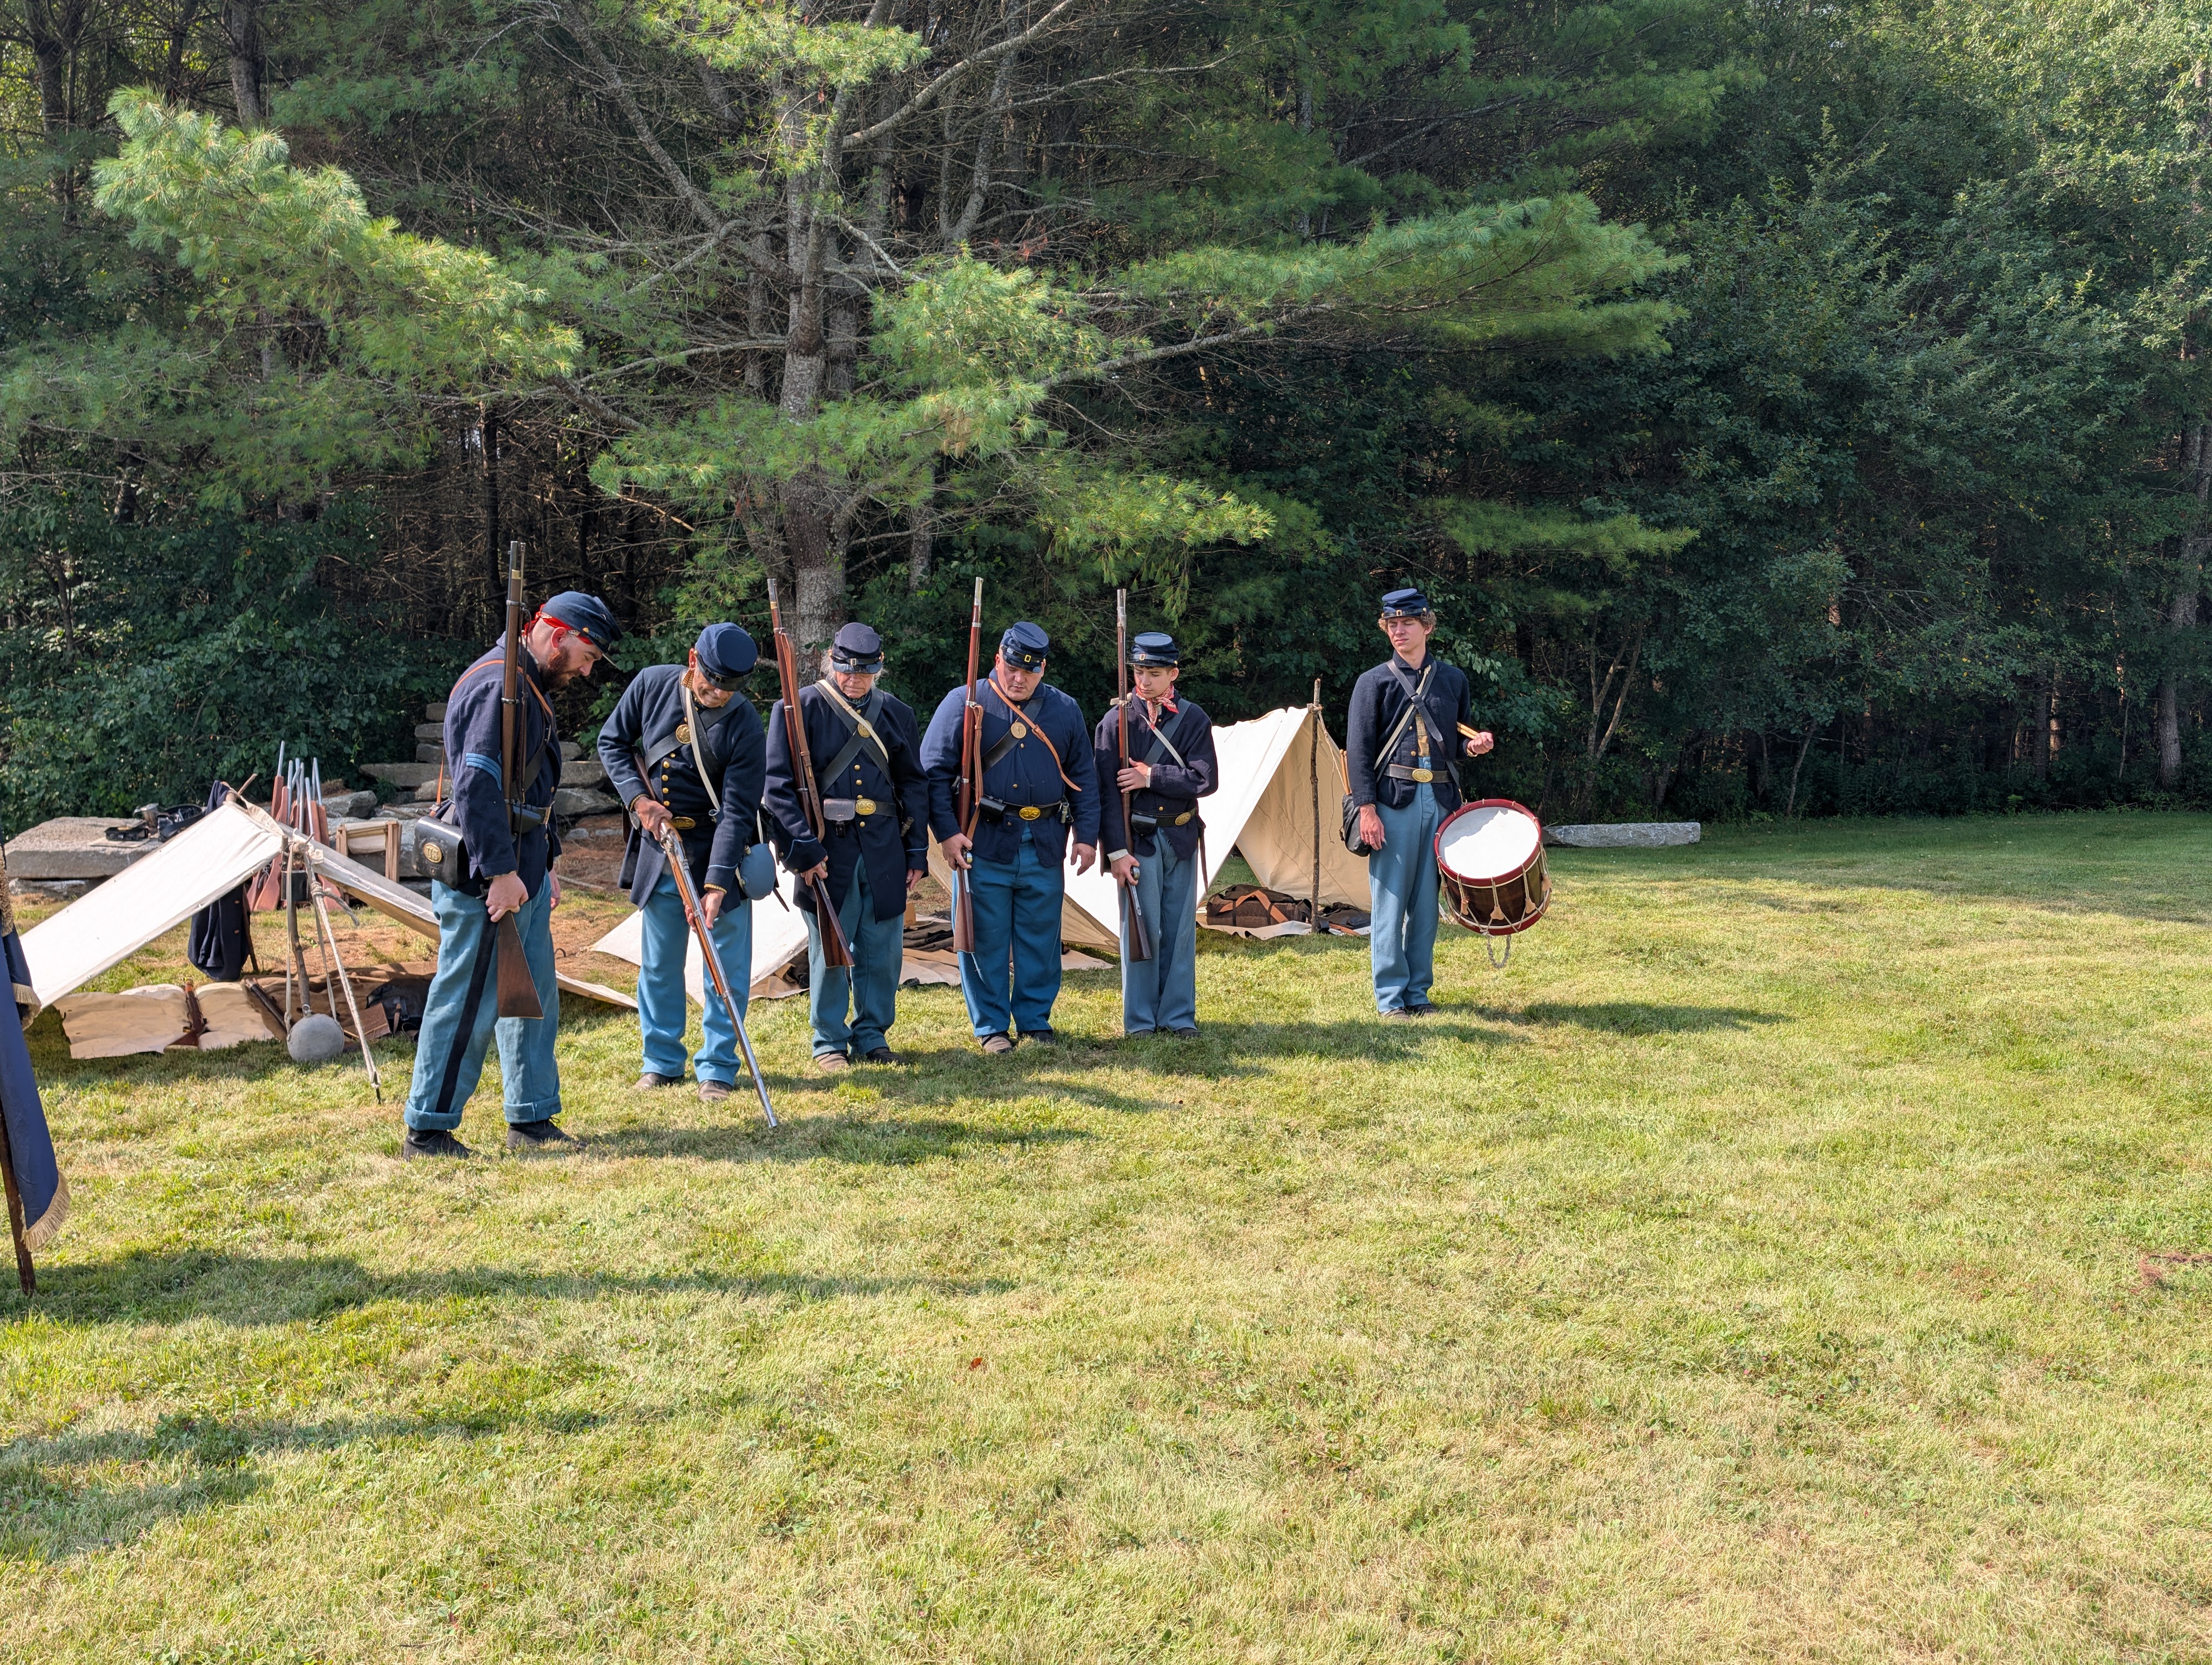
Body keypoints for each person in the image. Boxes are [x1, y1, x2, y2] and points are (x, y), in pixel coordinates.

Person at [403, 591, 620, 1158]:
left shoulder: (524, 685)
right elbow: (477, 788)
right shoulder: (494, 686)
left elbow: (527, 790)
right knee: (466, 1000)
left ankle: (531, 1116)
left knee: (530, 999)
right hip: (488, 873)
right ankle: (427, 1128)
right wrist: (500, 871)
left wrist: (542, 864)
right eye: (587, 657)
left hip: (523, 868)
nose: (587, 671)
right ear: (558, 637)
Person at [597, 624, 769, 1102]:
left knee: (724, 968)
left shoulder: (745, 722)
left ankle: (718, 1067)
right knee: (658, 965)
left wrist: (717, 884)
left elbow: (738, 811)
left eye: (729, 688)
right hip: (662, 849)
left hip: (718, 851)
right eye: (711, 683)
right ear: (693, 660)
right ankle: (661, 1061)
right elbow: (612, 742)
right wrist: (638, 801)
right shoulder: (652, 685)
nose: (717, 695)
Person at [921, 620, 1100, 1053]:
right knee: (985, 939)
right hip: (982, 841)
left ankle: (1035, 1022)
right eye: (1012, 668)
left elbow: (1084, 776)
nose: (1019, 679)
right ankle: (992, 1028)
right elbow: (932, 774)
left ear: (1043, 670)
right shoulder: (964, 702)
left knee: (1041, 938)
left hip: (1045, 840)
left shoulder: (1065, 709)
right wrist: (947, 833)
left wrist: (1086, 835)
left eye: (1029, 671)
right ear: (997, 660)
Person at [762, 622, 930, 1072]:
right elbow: (778, 789)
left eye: (864, 673)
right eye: (846, 670)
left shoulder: (896, 713)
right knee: (831, 949)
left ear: (879, 669)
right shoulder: (797, 708)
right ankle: (829, 1041)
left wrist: (917, 852)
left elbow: (914, 784)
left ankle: (872, 1035)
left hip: (884, 847)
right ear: (831, 663)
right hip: (824, 851)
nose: (854, 680)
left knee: (882, 950)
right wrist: (802, 851)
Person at [1344, 587, 1494, 1019]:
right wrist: (1367, 809)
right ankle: (1391, 999)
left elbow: (1455, 741)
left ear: (1427, 626)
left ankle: (1418, 993)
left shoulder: (1453, 680)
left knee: (1427, 907)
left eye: (1407, 623)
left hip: (1441, 802)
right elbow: (1358, 752)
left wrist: (1473, 748)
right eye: (1391, 624)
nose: (1398, 631)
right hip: (1393, 801)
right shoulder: (1373, 682)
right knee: (1390, 904)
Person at [1094, 631, 1217, 1038]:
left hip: (1180, 837)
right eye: (1139, 672)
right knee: (1140, 928)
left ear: (1173, 674)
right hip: (1138, 842)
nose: (1144, 681)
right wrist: (1116, 852)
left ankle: (1178, 1016)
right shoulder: (1116, 721)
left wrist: (1151, 776)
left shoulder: (1193, 719)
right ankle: (1141, 1021)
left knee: (1180, 931)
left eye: (1154, 673)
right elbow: (1106, 796)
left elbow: (1206, 780)